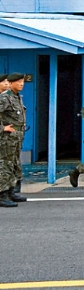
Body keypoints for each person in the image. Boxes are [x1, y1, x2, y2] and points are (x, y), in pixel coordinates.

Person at [0, 73, 28, 207]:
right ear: (10, 83)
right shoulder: (5, 98)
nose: (21, 84)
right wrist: (2, 128)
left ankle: (11, 191)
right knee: (5, 165)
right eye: (18, 82)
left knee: (14, 164)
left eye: (22, 81)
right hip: (7, 139)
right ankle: (2, 194)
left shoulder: (17, 97)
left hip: (16, 138)